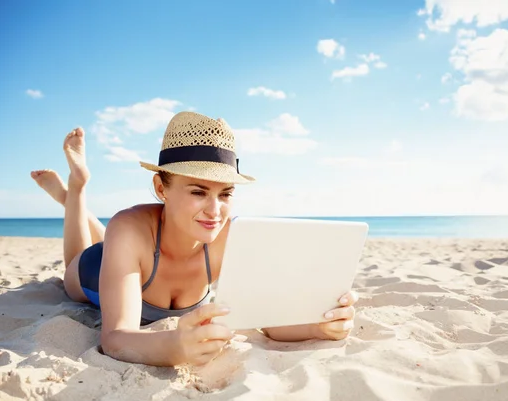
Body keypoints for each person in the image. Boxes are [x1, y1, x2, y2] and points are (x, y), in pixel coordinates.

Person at [31, 111, 358, 367]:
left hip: (134, 252)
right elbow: (115, 339)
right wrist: (173, 347)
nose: (215, 211)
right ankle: (75, 191)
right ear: (162, 189)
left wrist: (320, 326)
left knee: (120, 242)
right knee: (74, 266)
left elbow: (267, 323)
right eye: (199, 191)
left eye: (225, 194)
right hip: (97, 268)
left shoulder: (232, 238)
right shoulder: (129, 227)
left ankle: (76, 200)